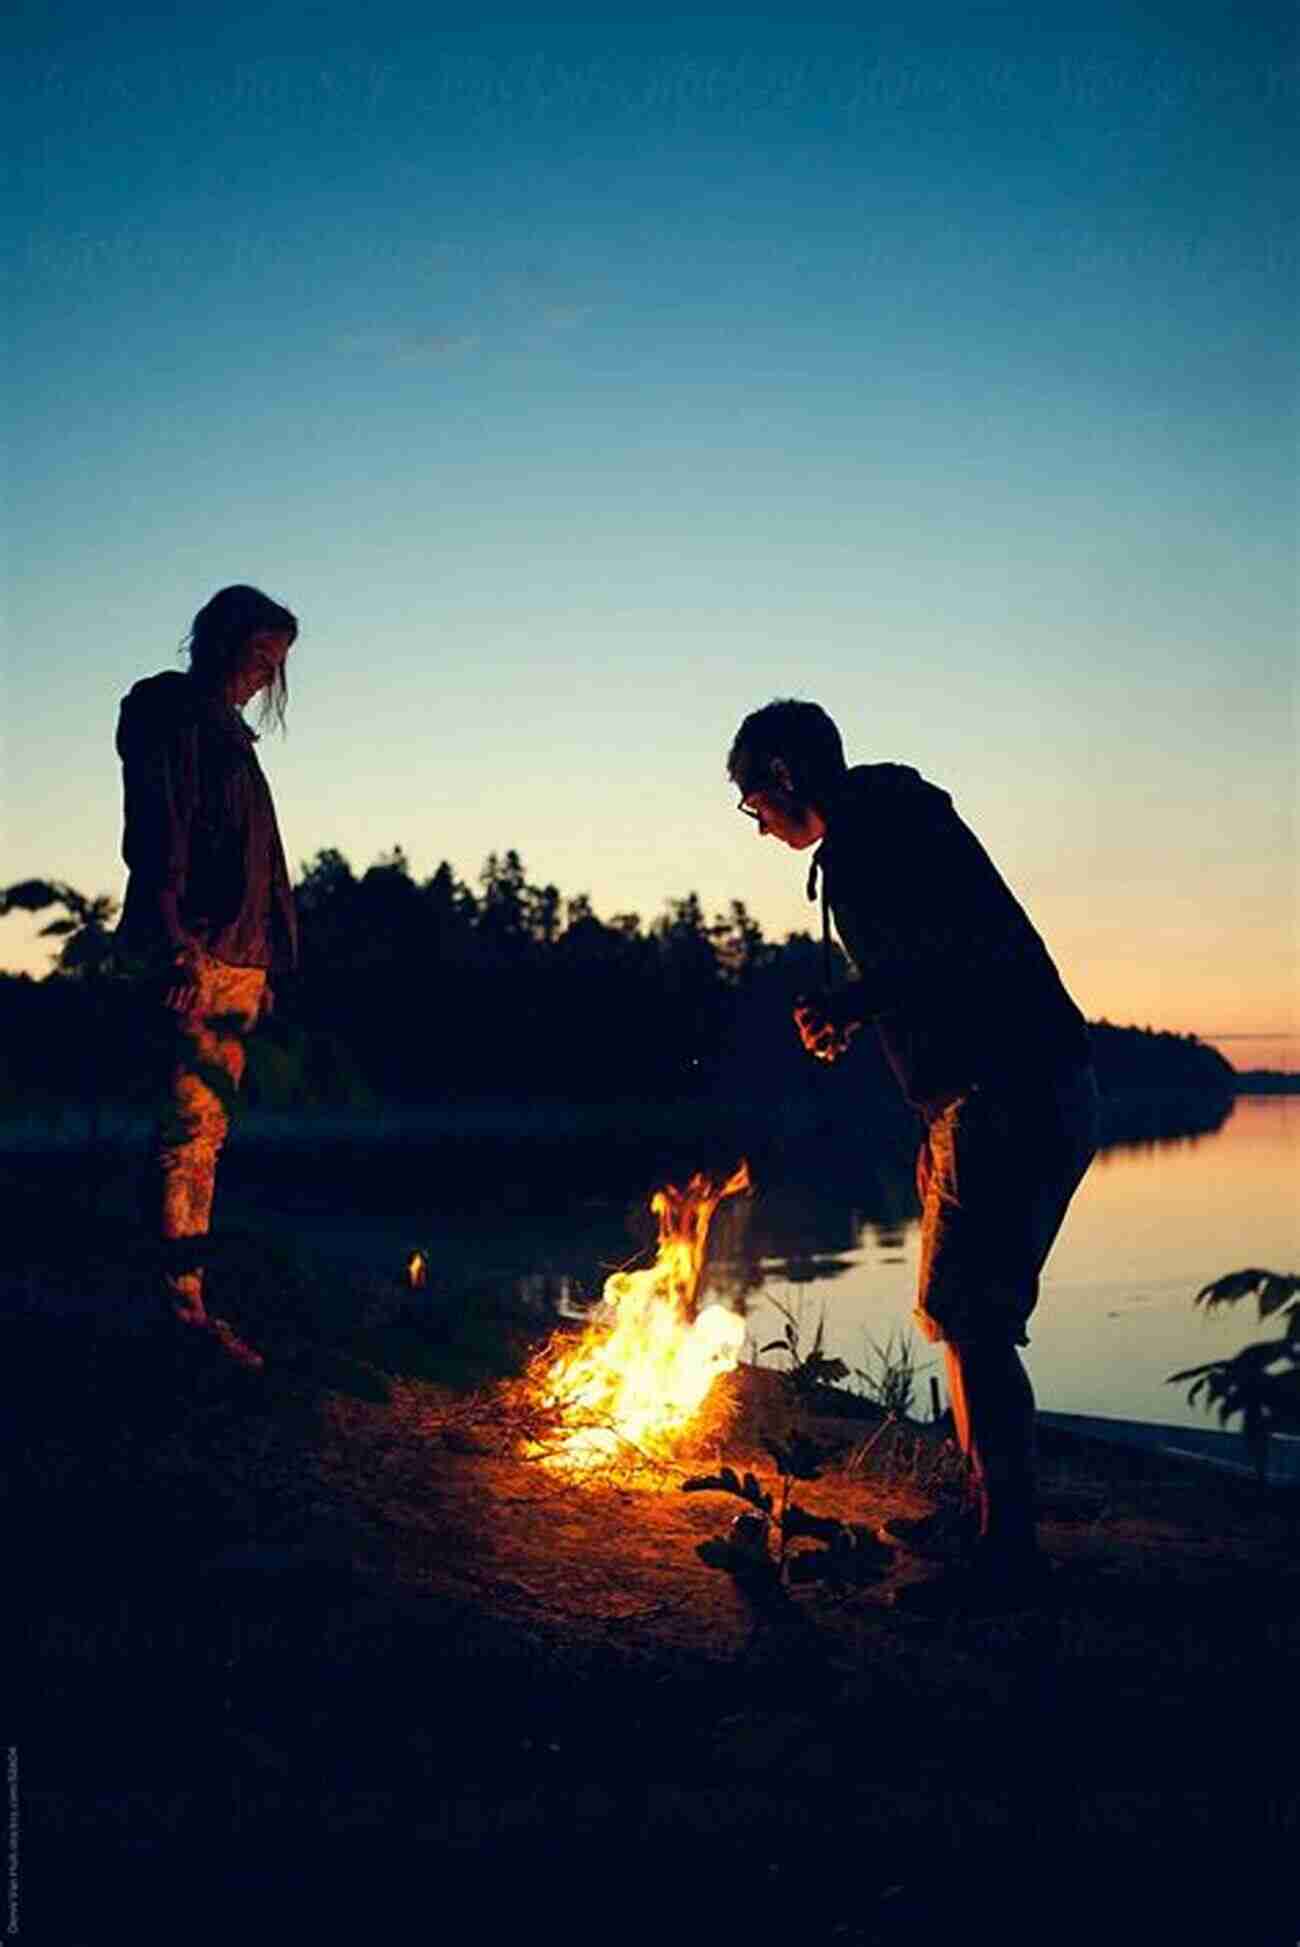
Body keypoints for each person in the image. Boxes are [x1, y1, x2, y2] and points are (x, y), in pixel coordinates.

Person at [727, 698, 1099, 1611]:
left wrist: (855, 1004)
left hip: (1008, 1091)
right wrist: (873, 1023)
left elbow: (957, 952)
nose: (756, 822)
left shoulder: (881, 833)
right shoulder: (884, 828)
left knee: (975, 1319)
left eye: (752, 800)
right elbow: (929, 966)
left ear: (783, 776)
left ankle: (1005, 1560)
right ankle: (984, 1518)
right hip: (983, 1095)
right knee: (959, 1315)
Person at [115, 585, 300, 1371]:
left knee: (205, 1135)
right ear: (221, 641)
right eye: (260, 655)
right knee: (184, 1134)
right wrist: (176, 945)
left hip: (237, 958)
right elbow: (158, 831)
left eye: (277, 663)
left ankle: (183, 1301)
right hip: (197, 953)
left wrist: (268, 962)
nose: (266, 674)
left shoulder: (230, 739)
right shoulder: (174, 716)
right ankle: (176, 1313)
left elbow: (260, 865)